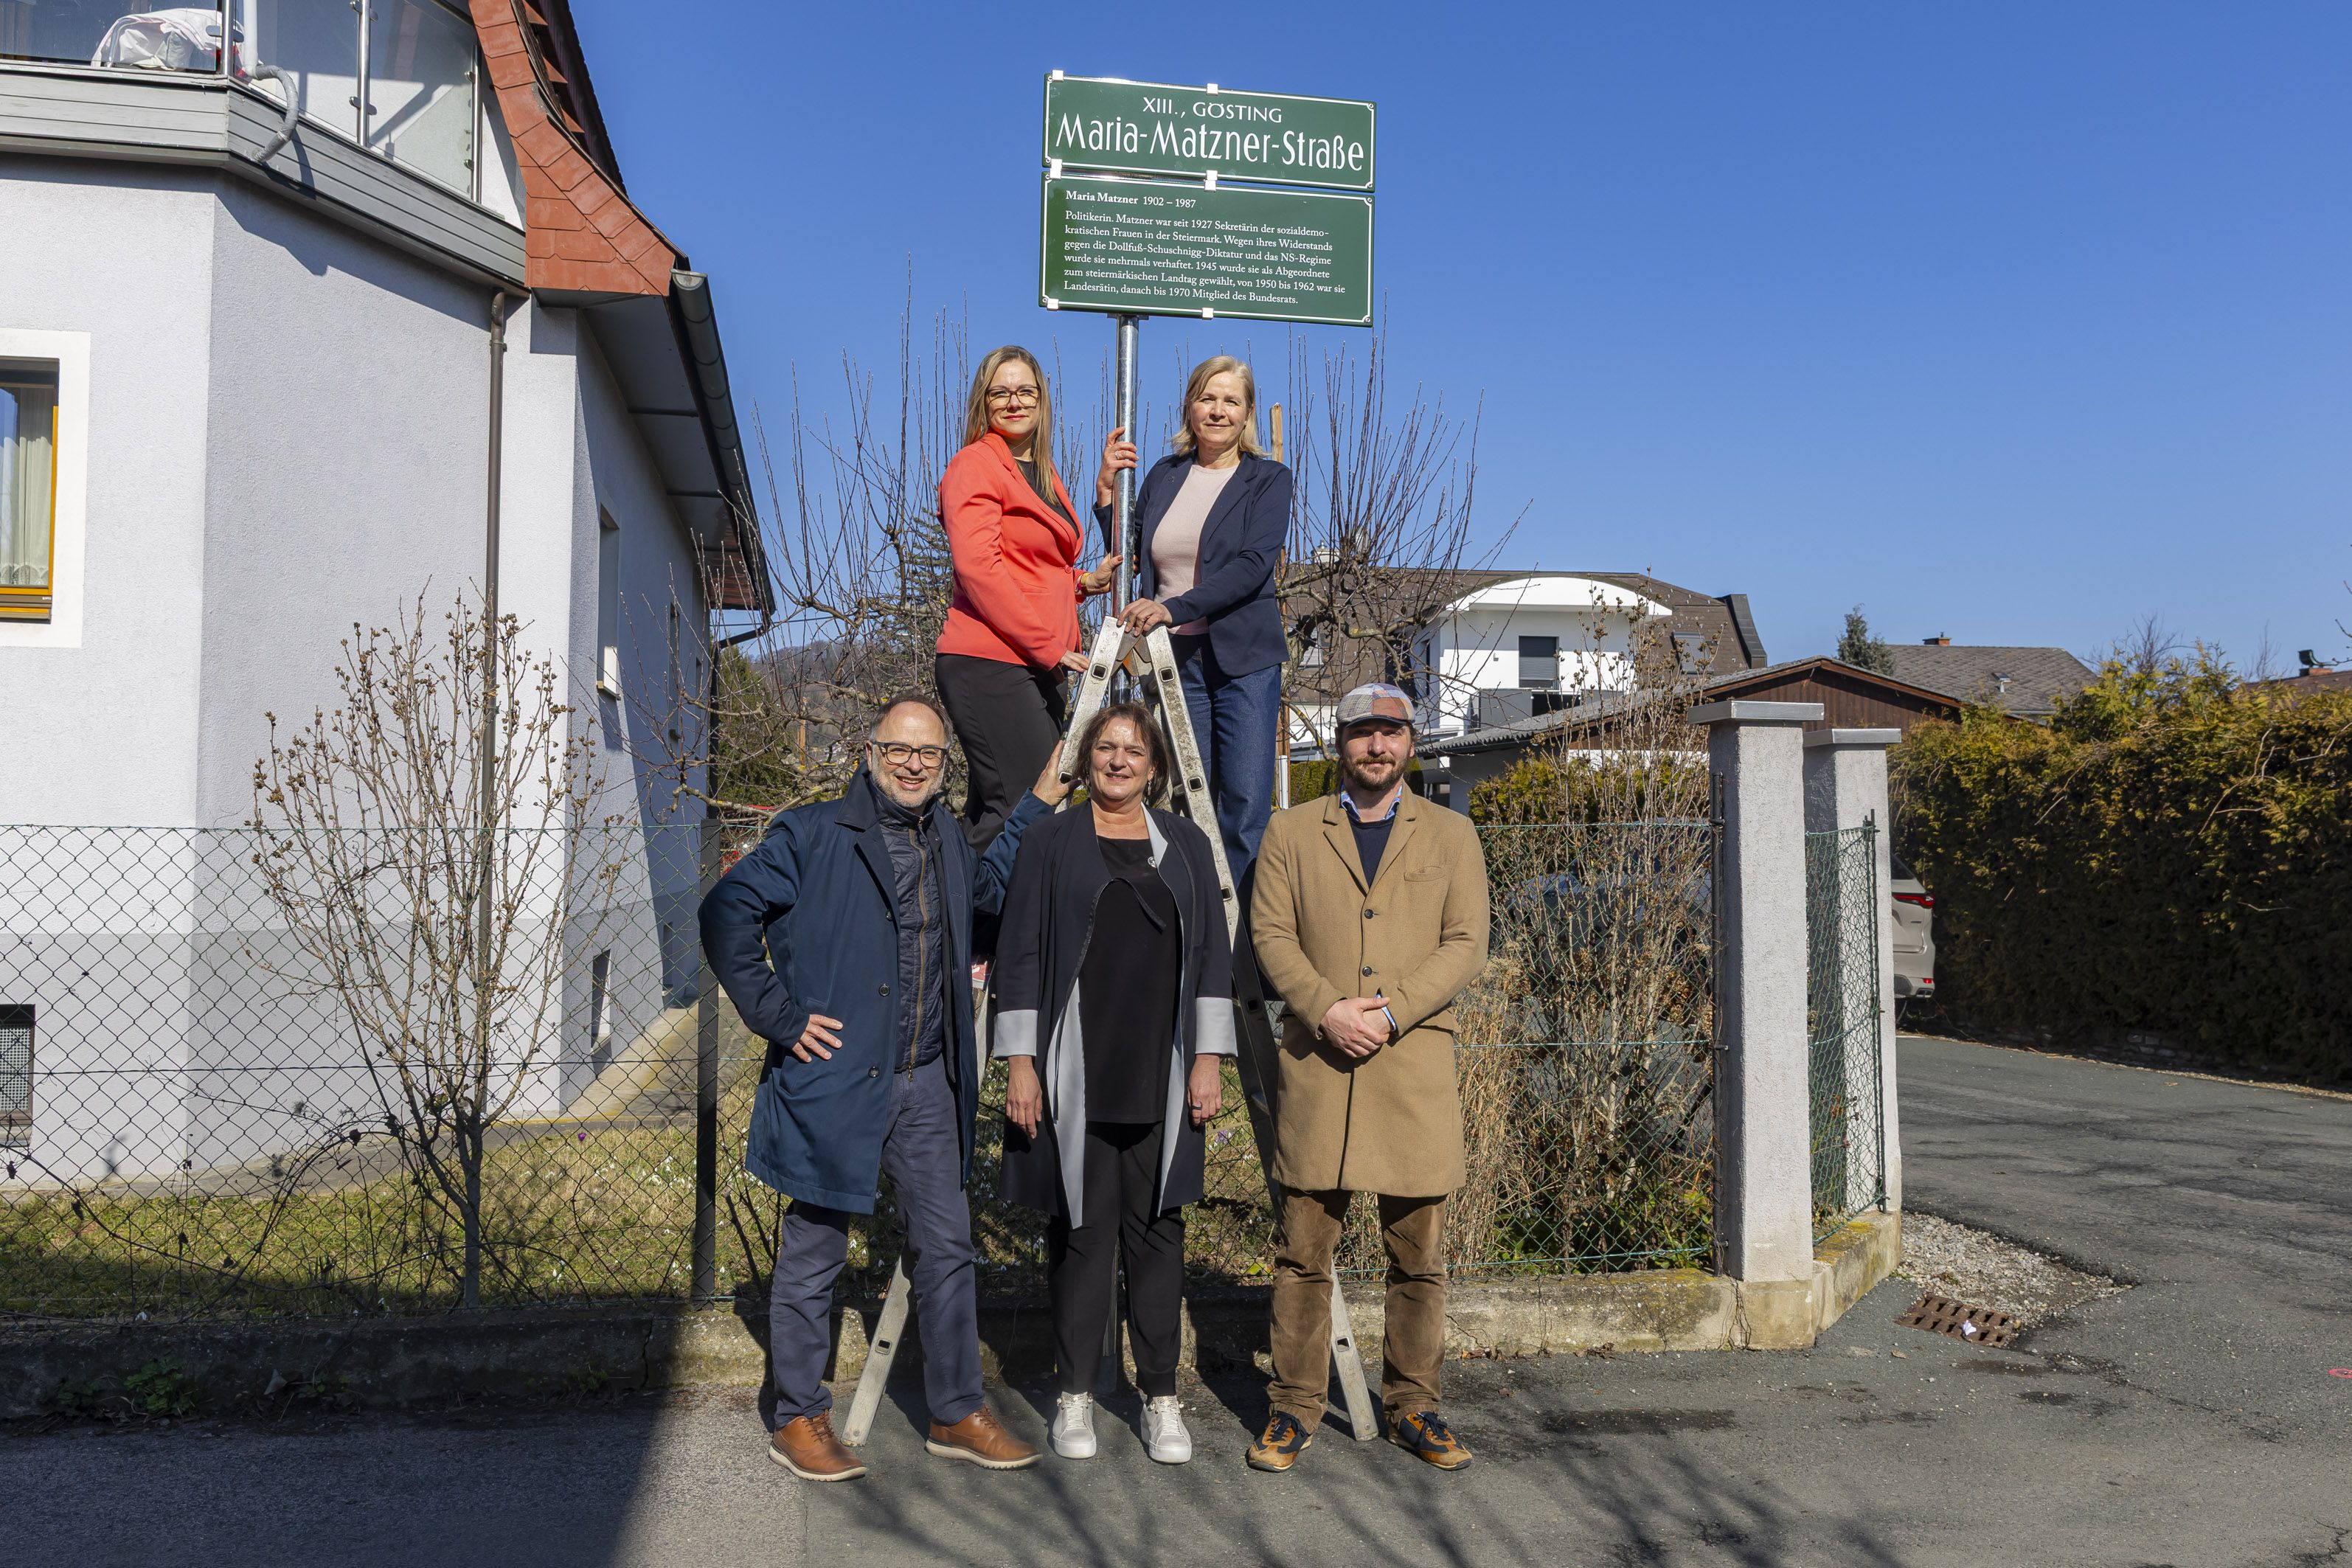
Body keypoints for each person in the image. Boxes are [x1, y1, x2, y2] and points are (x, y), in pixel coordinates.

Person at [698, 695, 1069, 1482]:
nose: (912, 763)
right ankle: (798, 1416)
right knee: (814, 1254)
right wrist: (781, 1017)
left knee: (948, 1246)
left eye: (928, 754)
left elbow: (991, 886)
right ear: (869, 752)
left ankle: (956, 1409)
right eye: (899, 749)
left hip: (925, 1081)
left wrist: (1040, 798)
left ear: (943, 766)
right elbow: (726, 910)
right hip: (833, 1078)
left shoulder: (943, 837)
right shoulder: (811, 834)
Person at [1243, 682, 1491, 1474]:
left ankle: (1414, 1405)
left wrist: (1387, 1013)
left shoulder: (1453, 834)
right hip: (1319, 1065)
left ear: (1411, 744)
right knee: (1302, 1252)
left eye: (1390, 732)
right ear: (1340, 743)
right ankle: (1293, 1408)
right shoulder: (1291, 831)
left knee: (1418, 1255)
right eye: (1360, 733)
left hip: (1410, 1065)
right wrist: (1325, 1008)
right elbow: (1269, 933)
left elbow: (1466, 943)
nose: (1375, 746)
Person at [992, 702, 1236, 1466]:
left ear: (1157, 767)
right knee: (1080, 1237)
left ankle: (1160, 1397)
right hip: (1074, 1074)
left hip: (1161, 1071)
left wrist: (1209, 1057)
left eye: (1134, 749)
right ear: (1086, 759)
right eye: (1106, 747)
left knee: (1158, 1237)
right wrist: (1022, 1063)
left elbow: (1212, 955)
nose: (1120, 760)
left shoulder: (1189, 844)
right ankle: (1075, 1395)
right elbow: (1021, 954)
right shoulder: (1050, 841)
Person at [1097, 355, 1291, 878]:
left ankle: (1240, 944)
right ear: (1189, 406)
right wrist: (1105, 496)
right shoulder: (1163, 474)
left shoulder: (1267, 480)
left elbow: (1251, 568)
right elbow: (1131, 556)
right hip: (1175, 660)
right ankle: (1195, 925)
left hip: (1243, 664)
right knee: (1186, 799)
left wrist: (1172, 608)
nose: (1218, 410)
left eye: (1231, 401)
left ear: (1247, 412)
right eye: (1207, 398)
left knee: (1243, 805)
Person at [936, 345, 1120, 847]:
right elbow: (979, 570)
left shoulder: (1038, 472)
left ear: (1041, 401)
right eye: (1001, 392)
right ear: (983, 401)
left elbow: (1031, 565)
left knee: (997, 816)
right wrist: (1048, 647)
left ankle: (969, 923)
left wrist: (1081, 581)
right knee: (1029, 808)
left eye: (1025, 391)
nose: (1013, 402)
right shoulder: (975, 465)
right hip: (989, 660)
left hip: (1036, 665)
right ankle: (1012, 926)